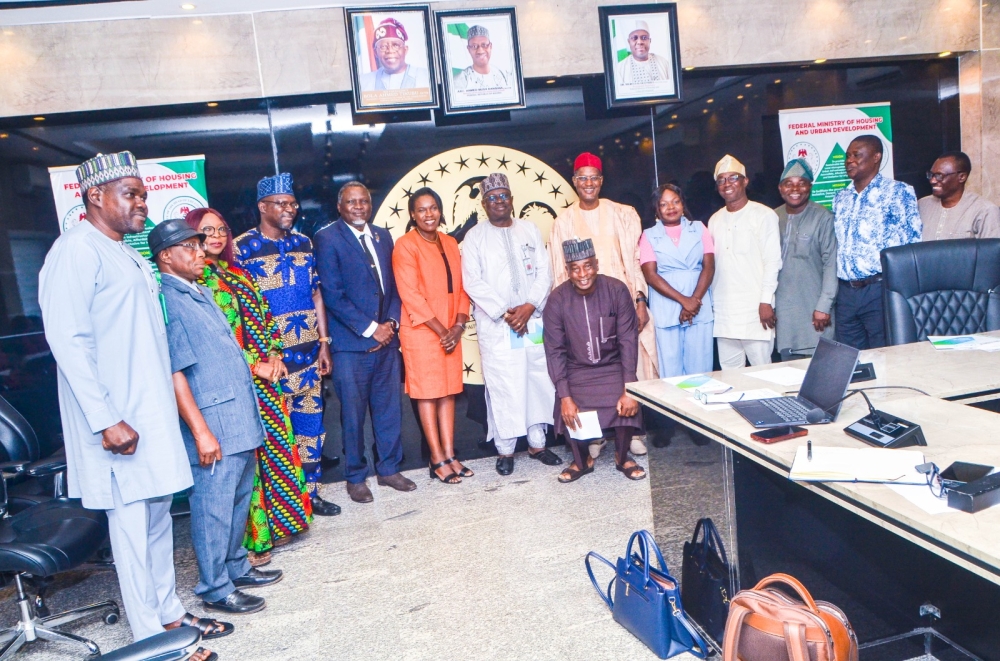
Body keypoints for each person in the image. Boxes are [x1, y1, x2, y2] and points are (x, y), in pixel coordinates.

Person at [37, 152, 220, 658]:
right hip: (117, 422)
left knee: (158, 520)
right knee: (133, 532)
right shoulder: (76, 250)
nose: (142, 203)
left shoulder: (127, 252)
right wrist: (105, 419)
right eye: (131, 194)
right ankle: (152, 641)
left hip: (150, 415)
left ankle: (169, 613)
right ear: (96, 196)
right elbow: (68, 342)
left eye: (143, 193)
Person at [152, 219, 283, 616]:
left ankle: (236, 567)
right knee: (212, 507)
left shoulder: (198, 290)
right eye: (189, 248)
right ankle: (214, 587)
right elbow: (175, 372)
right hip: (213, 423)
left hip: (237, 415)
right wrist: (201, 431)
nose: (200, 253)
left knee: (238, 500)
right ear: (165, 257)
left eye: (199, 246)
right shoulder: (167, 299)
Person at [186, 208, 317, 569]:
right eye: (206, 231)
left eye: (221, 229)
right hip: (236, 382)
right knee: (249, 467)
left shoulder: (238, 272)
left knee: (276, 452)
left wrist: (274, 354)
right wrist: (254, 364)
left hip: (268, 379)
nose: (215, 236)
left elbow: (266, 318)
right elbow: (216, 340)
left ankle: (282, 524)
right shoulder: (197, 282)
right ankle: (252, 542)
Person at [235, 173, 338, 515]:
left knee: (311, 431)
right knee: (277, 439)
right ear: (262, 207)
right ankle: (283, 506)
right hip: (272, 364)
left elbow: (317, 293)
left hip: (308, 356)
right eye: (281, 204)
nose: (289, 210)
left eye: (293, 204)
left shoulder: (304, 243)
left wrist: (324, 343)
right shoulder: (241, 248)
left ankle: (313, 495)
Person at [313, 182, 416, 503]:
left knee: (388, 411)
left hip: (387, 344)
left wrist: (392, 324)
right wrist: (372, 328)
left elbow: (397, 286)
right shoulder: (328, 238)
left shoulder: (383, 236)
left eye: (364, 201)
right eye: (351, 202)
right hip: (350, 347)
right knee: (353, 416)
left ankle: (388, 470)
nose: (358, 206)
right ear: (340, 206)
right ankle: (355, 476)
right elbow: (332, 294)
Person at [550, 152, 655, 457]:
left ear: (601, 181)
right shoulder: (563, 221)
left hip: (620, 301)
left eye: (594, 177)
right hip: (582, 306)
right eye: (582, 178)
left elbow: (636, 261)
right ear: (574, 182)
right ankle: (594, 436)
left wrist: (639, 298)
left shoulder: (623, 213)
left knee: (630, 359)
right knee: (587, 367)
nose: (588, 184)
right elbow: (559, 269)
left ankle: (634, 429)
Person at [462, 173, 562, 475]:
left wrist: (529, 306)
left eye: (503, 195)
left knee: (536, 380)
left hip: (532, 322)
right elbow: (473, 282)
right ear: (484, 203)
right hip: (499, 326)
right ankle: (505, 450)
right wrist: (507, 313)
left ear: (511, 199)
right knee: (504, 385)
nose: (499, 202)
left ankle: (537, 444)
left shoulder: (529, 230)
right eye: (492, 198)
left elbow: (546, 272)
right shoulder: (475, 237)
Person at [544, 238, 645, 483]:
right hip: (576, 370)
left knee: (626, 401)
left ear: (597, 264)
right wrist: (565, 395)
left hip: (612, 367)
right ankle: (582, 461)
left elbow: (628, 340)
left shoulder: (617, 290)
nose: (582, 274)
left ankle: (622, 458)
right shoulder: (557, 300)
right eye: (575, 268)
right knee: (567, 406)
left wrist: (629, 386)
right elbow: (555, 350)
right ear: (567, 271)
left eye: (587, 266)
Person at [392, 188, 473, 484]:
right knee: (428, 393)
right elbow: (410, 295)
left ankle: (451, 455)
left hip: (452, 328)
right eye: (422, 210)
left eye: (433, 208)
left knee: (449, 390)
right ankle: (436, 458)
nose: (429, 214)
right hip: (423, 331)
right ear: (413, 215)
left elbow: (464, 287)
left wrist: (458, 326)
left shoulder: (451, 242)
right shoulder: (405, 245)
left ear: (440, 210)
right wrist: (443, 331)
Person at [833, 135, 921, 349]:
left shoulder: (898, 192)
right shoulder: (840, 197)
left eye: (856, 155)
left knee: (884, 356)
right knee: (849, 358)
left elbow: (912, 244)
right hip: (845, 292)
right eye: (847, 156)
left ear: (876, 157)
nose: (849, 161)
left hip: (879, 289)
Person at [709, 154, 782, 370]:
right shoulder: (714, 220)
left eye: (733, 178)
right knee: (731, 377)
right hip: (724, 313)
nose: (727, 184)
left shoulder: (764, 215)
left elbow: (772, 261)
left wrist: (766, 301)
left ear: (745, 181)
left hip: (756, 311)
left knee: (763, 372)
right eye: (721, 180)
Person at [640, 184, 715, 376]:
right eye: (664, 204)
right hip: (667, 307)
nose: (671, 208)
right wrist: (685, 301)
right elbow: (650, 275)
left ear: (683, 204)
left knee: (700, 372)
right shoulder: (648, 236)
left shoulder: (699, 228)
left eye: (675, 202)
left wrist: (693, 301)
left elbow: (709, 266)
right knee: (670, 374)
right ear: (656, 209)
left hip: (699, 304)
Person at [774, 159, 838, 358]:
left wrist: (824, 306)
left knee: (819, 371)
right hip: (783, 313)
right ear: (780, 188)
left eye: (801, 183)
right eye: (789, 183)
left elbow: (831, 264)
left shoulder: (823, 217)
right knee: (788, 370)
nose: (795, 189)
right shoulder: (772, 218)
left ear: (810, 187)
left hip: (814, 310)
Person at [919, 151, 1000, 241]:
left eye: (939, 175)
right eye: (931, 175)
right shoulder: (922, 205)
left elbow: (991, 253)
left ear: (962, 177)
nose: (932, 181)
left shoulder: (985, 210)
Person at [359, 18, 431, 92]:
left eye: (396, 45)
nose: (390, 50)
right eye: (383, 46)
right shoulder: (363, 82)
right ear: (375, 52)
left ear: (405, 50)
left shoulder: (427, 77)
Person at [454, 25, 513, 92]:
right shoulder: (460, 81)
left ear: (490, 46)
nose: (480, 50)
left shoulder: (505, 77)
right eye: (474, 46)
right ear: (468, 49)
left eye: (484, 45)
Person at [614, 20, 672, 86]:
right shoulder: (620, 69)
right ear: (629, 42)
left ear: (650, 41)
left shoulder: (663, 63)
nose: (639, 42)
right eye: (634, 38)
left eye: (644, 38)